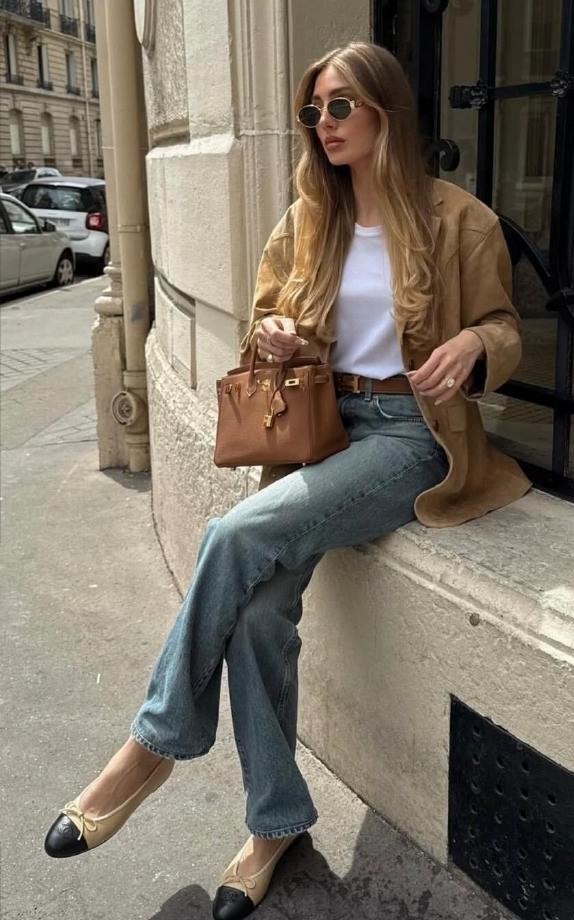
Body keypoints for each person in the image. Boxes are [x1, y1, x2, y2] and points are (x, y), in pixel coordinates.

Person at [43, 40, 530, 919]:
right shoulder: (308, 218)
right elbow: (267, 321)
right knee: (261, 614)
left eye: (340, 106)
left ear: (386, 109)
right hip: (322, 429)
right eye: (313, 111)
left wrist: (471, 343)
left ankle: (151, 746)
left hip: (410, 437)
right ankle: (275, 823)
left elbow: (505, 327)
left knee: (231, 534)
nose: (323, 124)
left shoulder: (462, 221)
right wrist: (276, 334)